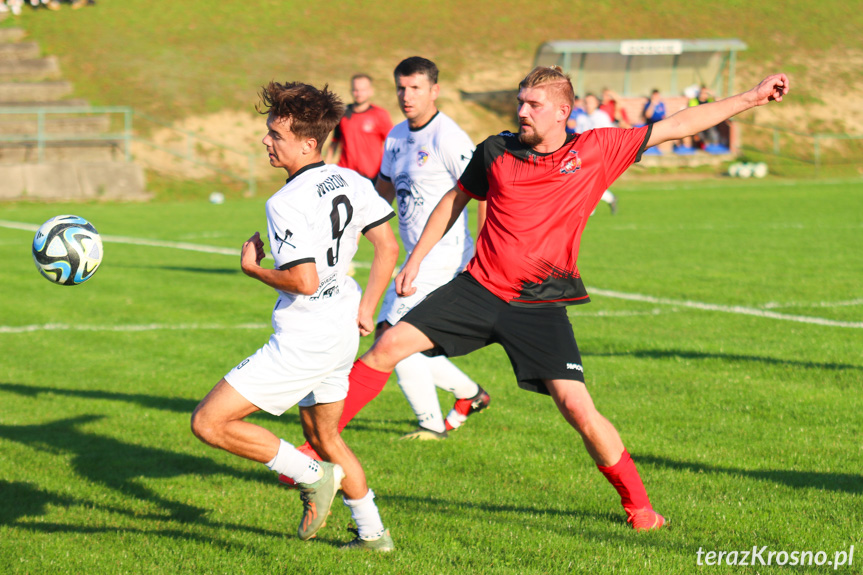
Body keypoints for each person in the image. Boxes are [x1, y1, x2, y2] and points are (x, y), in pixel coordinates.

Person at [331, 66, 790, 532]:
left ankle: (641, 509)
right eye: (520, 101)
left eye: (534, 104)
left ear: (563, 112)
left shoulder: (597, 149)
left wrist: (752, 97)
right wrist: (416, 261)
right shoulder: (496, 149)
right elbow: (455, 198)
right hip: (478, 288)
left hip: (539, 305)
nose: (522, 111)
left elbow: (678, 125)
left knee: (577, 407)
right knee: (387, 347)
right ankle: (317, 451)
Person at [190, 80, 400, 551]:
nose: (266, 141)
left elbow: (303, 281)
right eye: (268, 132)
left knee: (209, 422)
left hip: (306, 338)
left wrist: (253, 270)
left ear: (308, 142)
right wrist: (367, 307)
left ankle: (311, 476)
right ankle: (373, 533)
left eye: (276, 135)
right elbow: (387, 246)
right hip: (342, 327)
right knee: (324, 435)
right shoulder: (350, 177)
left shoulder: (284, 202)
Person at [370, 56, 490, 440]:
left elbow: (483, 187)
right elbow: (385, 187)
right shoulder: (396, 136)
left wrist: (486, 244)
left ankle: (431, 425)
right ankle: (470, 395)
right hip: (413, 257)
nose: (407, 96)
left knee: (392, 336)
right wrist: (358, 225)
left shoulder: (448, 137)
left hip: (443, 258)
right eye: (401, 88)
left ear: (434, 91)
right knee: (389, 338)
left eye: (416, 88)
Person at [325, 74, 393, 182]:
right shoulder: (343, 113)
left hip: (372, 176)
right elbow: (335, 141)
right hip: (346, 174)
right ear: (351, 91)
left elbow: (392, 144)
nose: (359, 93)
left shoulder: (380, 115)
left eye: (363, 90)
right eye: (355, 90)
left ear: (371, 91)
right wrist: (326, 168)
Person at [575, 93, 618, 215]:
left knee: (589, 182)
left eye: (590, 102)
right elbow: (579, 137)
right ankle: (608, 199)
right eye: (586, 102)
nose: (588, 105)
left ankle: (591, 208)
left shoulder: (602, 117)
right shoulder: (581, 117)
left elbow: (610, 135)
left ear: (596, 104)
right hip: (584, 155)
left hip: (600, 155)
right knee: (586, 182)